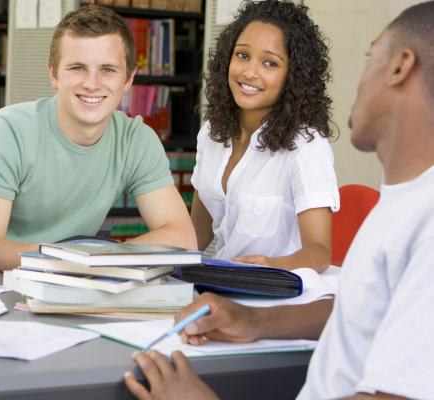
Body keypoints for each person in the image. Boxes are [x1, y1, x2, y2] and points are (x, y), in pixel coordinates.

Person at [125, 1, 434, 399]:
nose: (358, 76)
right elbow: (354, 313)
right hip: (232, 301)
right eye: (242, 55)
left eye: (369, 55)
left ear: (399, 67)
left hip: (271, 296)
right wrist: (251, 321)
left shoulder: (422, 224)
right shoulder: (399, 207)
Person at [0, 5, 196, 272]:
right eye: (77, 68)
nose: (92, 83)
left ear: (129, 78)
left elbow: (182, 238)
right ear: (53, 74)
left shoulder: (135, 140)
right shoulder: (3, 132)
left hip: (77, 282)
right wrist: (77, 260)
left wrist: (94, 260)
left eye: (107, 69)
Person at [191, 0, 338, 271]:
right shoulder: (212, 134)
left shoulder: (306, 145)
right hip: (224, 285)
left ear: (293, 76)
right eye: (243, 55)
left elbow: (319, 253)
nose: (249, 72)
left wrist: (271, 266)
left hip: (279, 293)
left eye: (270, 63)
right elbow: (196, 236)